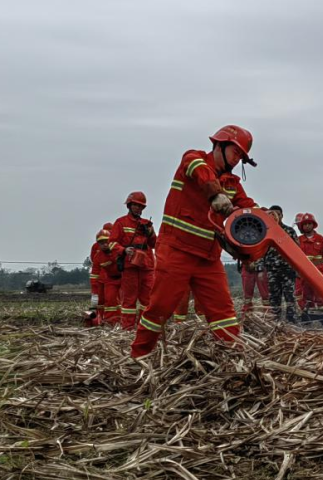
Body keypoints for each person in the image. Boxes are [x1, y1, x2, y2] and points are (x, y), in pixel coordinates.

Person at [130, 125, 257, 359]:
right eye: (236, 153)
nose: (237, 160)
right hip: (176, 250)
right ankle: (139, 357)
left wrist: (267, 215)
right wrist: (215, 193)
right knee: (160, 308)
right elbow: (199, 169)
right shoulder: (195, 160)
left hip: (208, 258)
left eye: (241, 157)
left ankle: (236, 360)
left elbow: (247, 205)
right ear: (220, 145)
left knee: (224, 313)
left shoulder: (232, 183)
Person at [110, 192, 157, 329]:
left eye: (140, 206)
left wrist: (151, 233)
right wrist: (124, 250)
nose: (138, 208)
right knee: (129, 300)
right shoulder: (121, 223)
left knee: (148, 298)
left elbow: (154, 244)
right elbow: (112, 243)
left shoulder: (147, 224)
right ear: (129, 205)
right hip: (130, 266)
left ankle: (144, 328)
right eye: (135, 205)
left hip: (146, 266)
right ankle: (128, 328)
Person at [264, 205, 299, 323]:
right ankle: (275, 323)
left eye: (278, 214)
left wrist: (297, 269)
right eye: (272, 214)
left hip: (288, 270)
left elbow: (297, 251)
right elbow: (261, 251)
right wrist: (260, 267)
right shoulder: (265, 232)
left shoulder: (289, 231)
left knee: (290, 297)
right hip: (272, 270)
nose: (276, 216)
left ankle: (292, 322)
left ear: (282, 215)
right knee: (274, 298)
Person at [296, 213, 323, 315]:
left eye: (309, 223)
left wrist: (320, 266)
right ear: (302, 226)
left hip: (318, 270)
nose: (307, 226)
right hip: (303, 272)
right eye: (305, 224)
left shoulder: (320, 239)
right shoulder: (299, 240)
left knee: (320, 291)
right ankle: (307, 312)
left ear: (313, 225)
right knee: (306, 292)